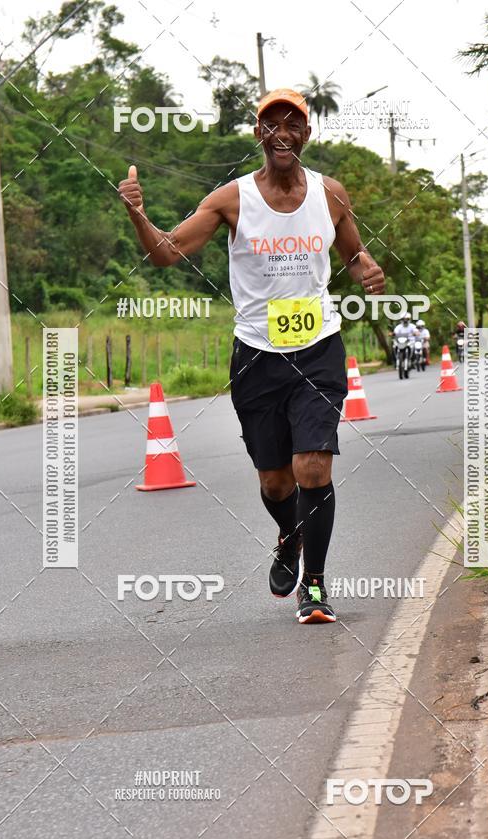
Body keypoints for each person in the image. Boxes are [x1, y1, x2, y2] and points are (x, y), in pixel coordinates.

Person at [118, 87, 385, 624]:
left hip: (318, 349)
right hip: (257, 356)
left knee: (313, 465)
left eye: (292, 124)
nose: (281, 132)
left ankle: (315, 585)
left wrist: (367, 271)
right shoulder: (230, 199)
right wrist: (137, 216)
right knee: (276, 482)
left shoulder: (330, 195)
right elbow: (166, 254)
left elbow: (353, 252)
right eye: (271, 124)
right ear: (259, 134)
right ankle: (289, 535)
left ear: (306, 135)